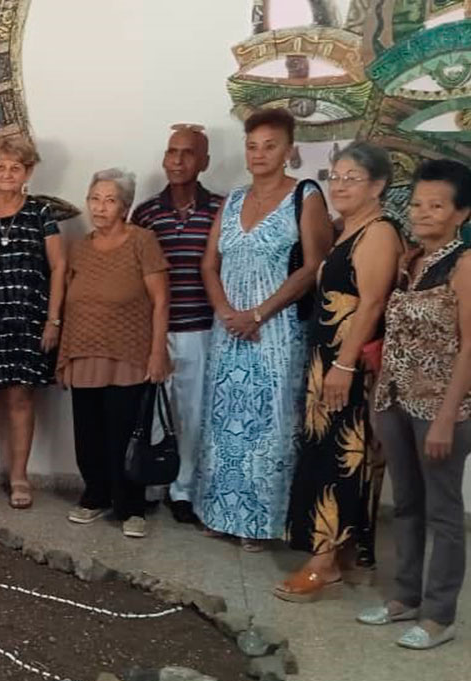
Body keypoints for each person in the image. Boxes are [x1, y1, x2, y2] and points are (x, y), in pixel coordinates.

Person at [195, 108, 332, 551]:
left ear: (289, 150)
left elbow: (314, 267)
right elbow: (210, 263)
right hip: (230, 328)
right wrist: (226, 312)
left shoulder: (305, 196)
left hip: (275, 331)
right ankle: (221, 513)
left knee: (270, 424)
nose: (259, 154)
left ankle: (262, 523)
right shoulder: (233, 200)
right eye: (252, 146)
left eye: (269, 145)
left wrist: (258, 314)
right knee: (225, 423)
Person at [276, 142, 402, 601]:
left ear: (379, 185)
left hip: (346, 366)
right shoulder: (350, 230)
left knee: (339, 459)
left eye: (353, 178)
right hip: (327, 362)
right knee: (326, 452)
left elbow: (371, 304)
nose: (341, 185)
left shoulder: (380, 233)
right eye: (336, 176)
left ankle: (324, 562)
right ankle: (346, 554)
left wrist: (344, 365)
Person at [358, 159, 471, 650]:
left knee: (443, 512)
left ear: (461, 213)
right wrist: (378, 396)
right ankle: (404, 597)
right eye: (418, 203)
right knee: (405, 505)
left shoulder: (464, 265)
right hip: (395, 399)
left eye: (437, 205)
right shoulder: (411, 260)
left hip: (441, 409)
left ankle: (439, 615)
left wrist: (447, 416)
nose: (423, 213)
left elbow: (470, 345)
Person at [57, 169, 171, 539]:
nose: (100, 207)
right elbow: (69, 302)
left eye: (109, 200)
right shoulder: (81, 247)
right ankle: (95, 496)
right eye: (94, 199)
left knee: (125, 434)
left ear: (125, 206)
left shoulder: (142, 241)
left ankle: (131, 507)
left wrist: (158, 352)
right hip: (84, 352)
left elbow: (160, 301)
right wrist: (63, 354)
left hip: (128, 355)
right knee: (87, 433)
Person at [0, 137, 65, 510]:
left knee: (21, 398)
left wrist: (53, 320)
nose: (7, 173)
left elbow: (59, 267)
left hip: (28, 318)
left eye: (15, 168)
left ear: (28, 172)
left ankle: (19, 475)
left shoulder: (40, 213)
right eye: (1, 167)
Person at [131, 124, 224, 524]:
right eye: (172, 152)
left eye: (188, 153)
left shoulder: (221, 209)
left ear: (204, 162)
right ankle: (152, 485)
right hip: (155, 330)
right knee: (152, 411)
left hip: (200, 328)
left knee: (192, 414)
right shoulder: (146, 213)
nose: (178, 160)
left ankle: (184, 491)